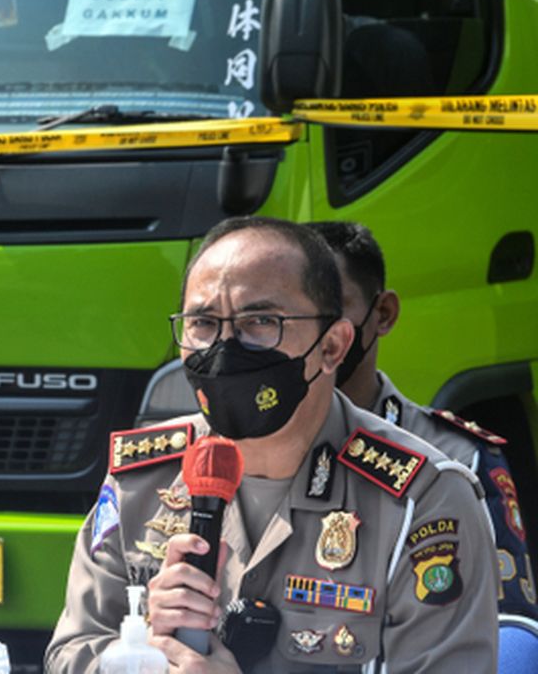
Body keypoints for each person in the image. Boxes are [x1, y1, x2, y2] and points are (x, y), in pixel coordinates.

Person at [46, 216, 497, 672]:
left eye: (260, 321)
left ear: (333, 346)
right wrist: (140, 648)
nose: (224, 347)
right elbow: (69, 654)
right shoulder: (142, 479)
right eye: (203, 322)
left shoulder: (423, 499)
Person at [309, 219, 537, 618]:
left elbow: (510, 626)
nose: (308, 329)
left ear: (383, 313)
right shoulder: (241, 449)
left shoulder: (457, 458)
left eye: (329, 308)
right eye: (286, 311)